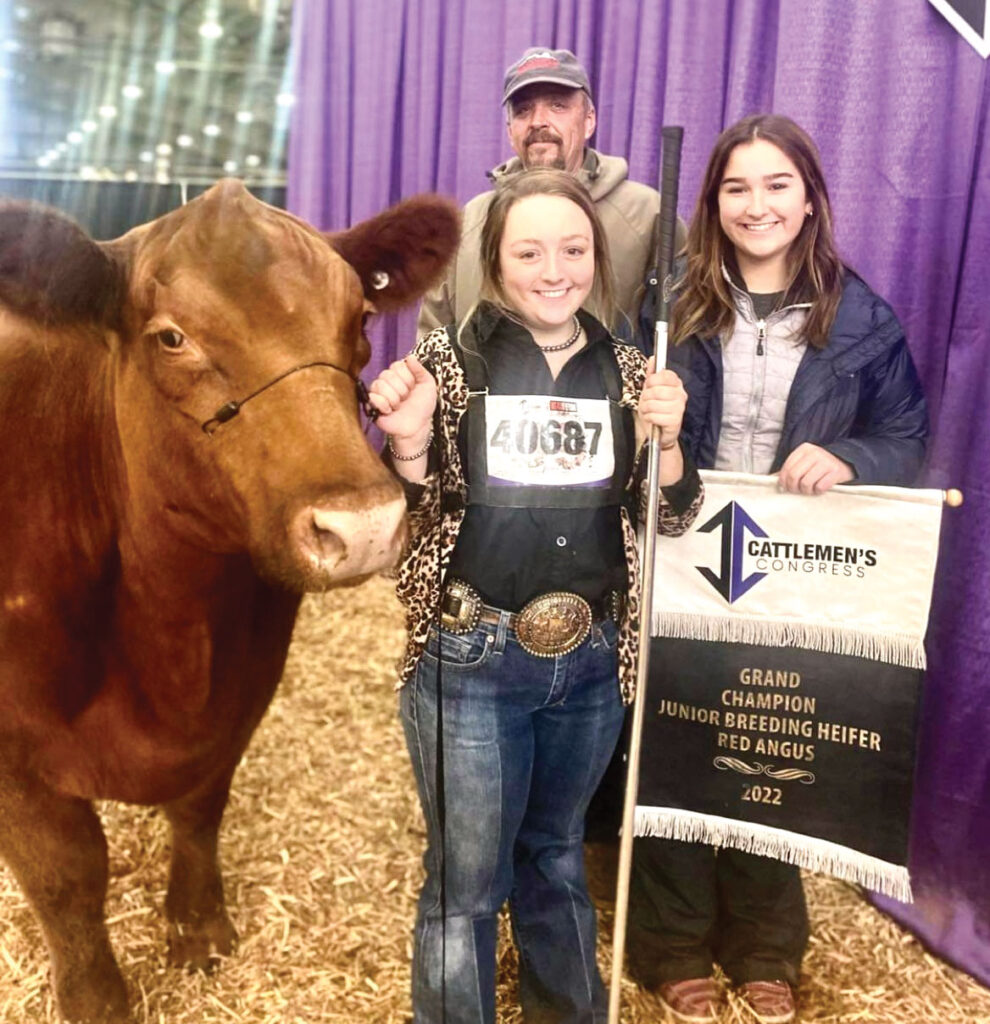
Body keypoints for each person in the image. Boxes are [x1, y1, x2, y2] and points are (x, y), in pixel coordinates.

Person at [368, 167, 703, 1024]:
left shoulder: (634, 370)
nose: (555, 269)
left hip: (591, 664)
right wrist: (406, 450)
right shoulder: (443, 366)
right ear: (495, 262)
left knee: (555, 858)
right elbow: (406, 530)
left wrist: (667, 444)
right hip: (472, 660)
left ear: (597, 257)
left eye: (574, 248)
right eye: (530, 251)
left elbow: (673, 516)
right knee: (468, 883)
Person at [627, 114, 929, 1024]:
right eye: (736, 188)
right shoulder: (670, 305)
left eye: (776, 186)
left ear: (808, 200)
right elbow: (630, 429)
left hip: (798, 573)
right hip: (681, 553)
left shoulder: (862, 318)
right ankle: (671, 946)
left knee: (768, 745)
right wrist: (652, 415)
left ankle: (765, 946)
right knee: (678, 744)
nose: (756, 205)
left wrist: (853, 462)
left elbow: (904, 437)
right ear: (714, 203)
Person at [417, 46, 683, 344]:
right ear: (509, 130)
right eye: (523, 110)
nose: (538, 121)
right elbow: (433, 338)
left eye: (557, 105)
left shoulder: (647, 214)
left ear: (589, 120)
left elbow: (683, 337)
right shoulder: (470, 221)